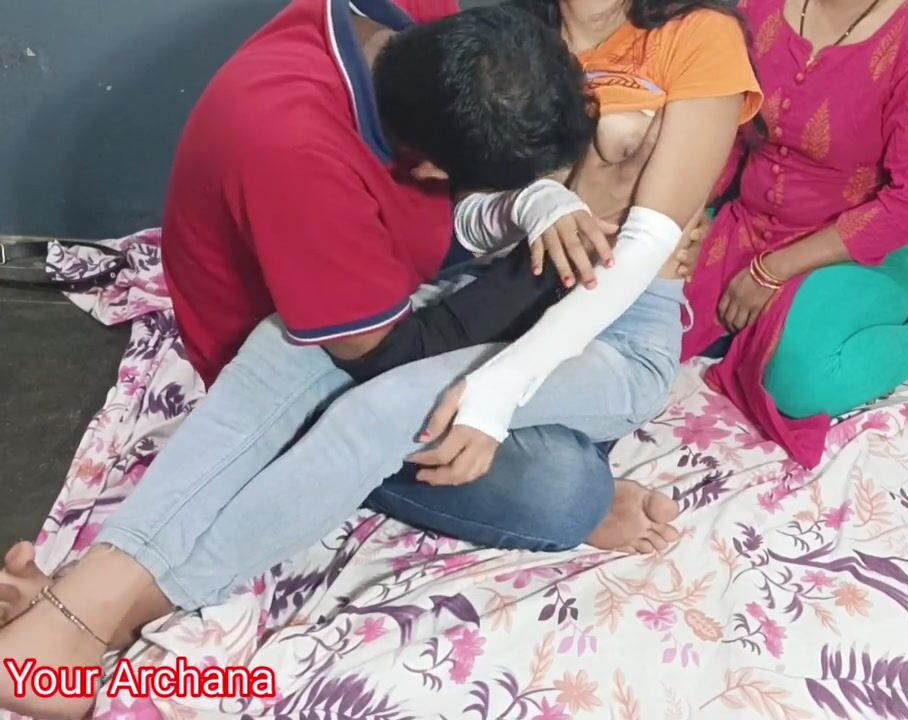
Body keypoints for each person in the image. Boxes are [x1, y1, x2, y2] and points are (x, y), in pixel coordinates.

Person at [0, 0, 760, 715]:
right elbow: (471, 199)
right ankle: (82, 602)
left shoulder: (697, 38)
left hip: (612, 330)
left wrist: (496, 393)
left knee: (391, 410)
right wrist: (539, 203)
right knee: (290, 345)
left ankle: (103, 618)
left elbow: (639, 252)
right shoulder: (511, 30)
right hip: (496, 296)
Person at [681, 0, 908, 468]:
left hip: (864, 253)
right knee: (642, 313)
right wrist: (689, 215)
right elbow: (726, 131)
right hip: (747, 225)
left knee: (799, 385)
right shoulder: (756, 9)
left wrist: (770, 270)